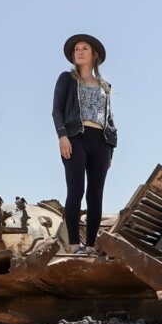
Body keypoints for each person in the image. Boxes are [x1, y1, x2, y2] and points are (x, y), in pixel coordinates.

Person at [51, 33, 117, 255]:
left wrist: (111, 151)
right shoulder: (67, 79)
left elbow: (109, 119)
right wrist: (62, 136)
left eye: (84, 48)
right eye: (76, 49)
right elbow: (57, 110)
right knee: (76, 190)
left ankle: (90, 246)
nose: (79, 51)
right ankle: (74, 245)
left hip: (101, 142)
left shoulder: (105, 86)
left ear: (94, 54)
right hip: (75, 138)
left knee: (95, 194)